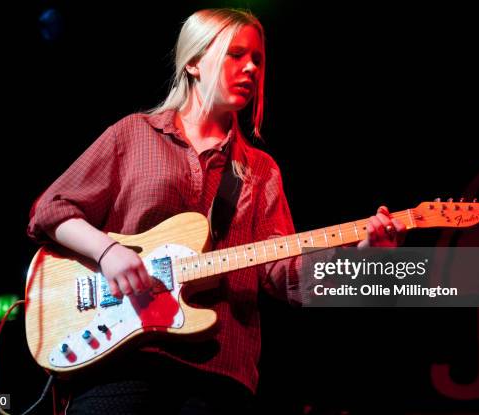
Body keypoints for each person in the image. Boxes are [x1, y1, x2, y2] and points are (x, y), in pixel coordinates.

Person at [27, 8, 406, 414]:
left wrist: (361, 258)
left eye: (258, 59)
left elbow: (282, 275)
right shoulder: (135, 133)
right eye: (236, 54)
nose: (251, 69)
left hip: (219, 369)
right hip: (121, 359)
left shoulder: (261, 170)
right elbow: (51, 209)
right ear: (193, 61)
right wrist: (108, 252)